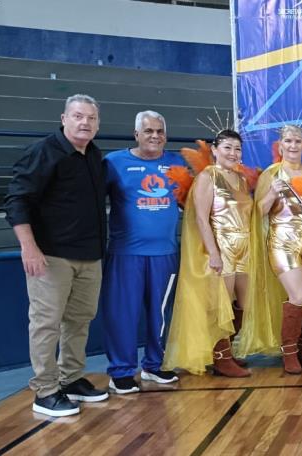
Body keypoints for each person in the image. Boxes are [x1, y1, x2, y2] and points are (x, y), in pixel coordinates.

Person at [5, 94, 109, 417]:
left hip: (89, 255)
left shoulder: (94, 155)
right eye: (78, 116)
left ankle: (71, 378)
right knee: (46, 323)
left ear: (97, 123)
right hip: (51, 256)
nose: (85, 122)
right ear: (64, 119)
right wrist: (29, 247)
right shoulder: (43, 152)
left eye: (91, 118)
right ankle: (45, 390)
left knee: (80, 320)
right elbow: (17, 200)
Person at [100, 111, 185, 394]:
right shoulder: (114, 163)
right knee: (122, 313)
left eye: (160, 131)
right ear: (136, 134)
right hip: (126, 253)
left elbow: (191, 201)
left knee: (161, 314)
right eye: (148, 131)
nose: (154, 136)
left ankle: (155, 364)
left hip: (165, 253)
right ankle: (121, 371)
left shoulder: (177, 163)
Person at [162, 129, 251, 378]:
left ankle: (225, 350)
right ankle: (221, 358)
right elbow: (200, 218)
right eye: (227, 147)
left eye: (237, 148)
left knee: (243, 304)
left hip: (244, 248)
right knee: (220, 305)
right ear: (214, 150)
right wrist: (213, 252)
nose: (233, 153)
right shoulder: (207, 177)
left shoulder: (241, 179)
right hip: (221, 247)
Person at [239, 125, 302, 374]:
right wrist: (271, 193)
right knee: (298, 296)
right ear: (280, 144)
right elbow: (259, 212)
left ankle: (298, 348)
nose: (293, 145)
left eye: (298, 141)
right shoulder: (271, 173)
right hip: (283, 240)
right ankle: (288, 353)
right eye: (288, 141)